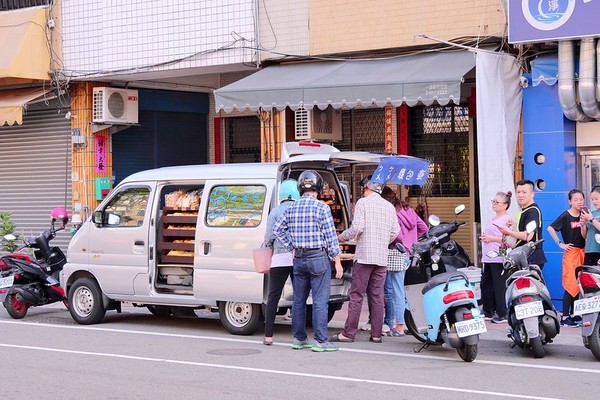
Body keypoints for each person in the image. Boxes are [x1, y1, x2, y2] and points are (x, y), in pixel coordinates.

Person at [273, 170, 343, 352]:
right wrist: (337, 261)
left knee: (299, 300)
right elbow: (330, 237)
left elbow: (277, 230)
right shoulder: (322, 208)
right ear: (318, 188)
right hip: (318, 258)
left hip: (299, 259)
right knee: (320, 301)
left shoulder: (291, 208)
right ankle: (320, 340)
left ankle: (299, 339)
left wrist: (292, 247)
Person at [330, 180, 400, 344]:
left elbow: (357, 228)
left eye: (364, 188)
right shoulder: (389, 207)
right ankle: (376, 334)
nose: (362, 190)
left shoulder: (363, 203)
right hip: (381, 258)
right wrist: (383, 241)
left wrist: (341, 237)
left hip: (364, 256)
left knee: (356, 295)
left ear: (368, 189)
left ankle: (349, 333)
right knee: (377, 296)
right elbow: (395, 231)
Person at [381, 186, 428, 335]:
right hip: (408, 254)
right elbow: (424, 227)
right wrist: (412, 242)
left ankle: (399, 325)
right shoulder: (408, 210)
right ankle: (400, 323)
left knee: (395, 291)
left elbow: (397, 236)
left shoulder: (391, 213)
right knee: (401, 289)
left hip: (395, 253)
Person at [262, 179, 300, 345]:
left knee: (273, 297)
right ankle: (298, 336)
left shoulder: (275, 212)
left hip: (279, 258)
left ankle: (268, 336)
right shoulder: (300, 210)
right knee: (299, 297)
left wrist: (270, 246)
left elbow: (268, 237)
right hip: (297, 257)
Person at [547, 189, 586, 328]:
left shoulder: (584, 215)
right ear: (570, 201)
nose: (579, 202)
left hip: (583, 252)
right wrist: (560, 244)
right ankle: (565, 316)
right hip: (571, 253)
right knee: (570, 284)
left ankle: (575, 314)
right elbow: (550, 228)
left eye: (581, 199)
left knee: (579, 284)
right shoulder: (565, 216)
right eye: (576, 199)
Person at [479, 191, 513, 324]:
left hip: (499, 255)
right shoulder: (493, 218)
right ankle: (488, 309)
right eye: (493, 201)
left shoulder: (507, 220)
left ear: (505, 205)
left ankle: (502, 312)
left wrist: (490, 238)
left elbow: (508, 239)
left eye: (497, 202)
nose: (494, 204)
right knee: (486, 283)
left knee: (499, 285)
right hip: (488, 256)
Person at [498, 179, 547, 269]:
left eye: (524, 192)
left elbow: (527, 236)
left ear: (532, 194)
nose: (520, 195)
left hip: (530, 257)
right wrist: (513, 224)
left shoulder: (532, 211)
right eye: (518, 192)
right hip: (521, 256)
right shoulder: (524, 210)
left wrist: (508, 232)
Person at [582, 186, 600, 266]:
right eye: (592, 199)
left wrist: (592, 219)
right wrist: (582, 224)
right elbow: (585, 236)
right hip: (589, 250)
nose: (594, 201)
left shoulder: (591, 216)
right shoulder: (592, 213)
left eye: (596, 199)